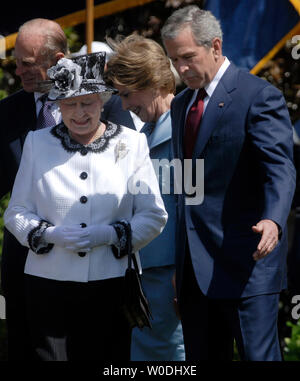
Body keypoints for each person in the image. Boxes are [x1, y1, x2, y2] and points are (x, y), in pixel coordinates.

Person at [4, 51, 167, 361]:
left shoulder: (132, 144)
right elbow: (16, 212)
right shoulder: (37, 142)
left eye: (87, 103)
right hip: (46, 284)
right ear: (58, 105)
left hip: (111, 283)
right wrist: (48, 235)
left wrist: (109, 235)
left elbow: (154, 214)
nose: (79, 113)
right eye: (69, 105)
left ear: (102, 101)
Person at [161, 5, 296, 361]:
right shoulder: (180, 106)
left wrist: (274, 219)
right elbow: (185, 189)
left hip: (247, 262)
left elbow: (280, 169)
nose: (182, 68)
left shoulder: (258, 96)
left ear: (216, 46)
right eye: (175, 60)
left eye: (188, 57)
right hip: (194, 272)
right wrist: (181, 266)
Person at [105, 34, 185, 361]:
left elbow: (191, 210)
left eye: (127, 94)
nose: (123, 106)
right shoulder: (146, 135)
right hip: (145, 276)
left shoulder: (185, 131)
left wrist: (188, 271)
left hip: (173, 279)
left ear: (151, 83)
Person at [0, 18, 68, 360]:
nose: (19, 71)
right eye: (17, 64)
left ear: (56, 62)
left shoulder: (97, 107)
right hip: (22, 264)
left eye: (27, 64)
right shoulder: (7, 113)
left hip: (83, 259)